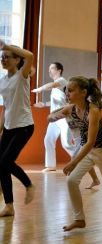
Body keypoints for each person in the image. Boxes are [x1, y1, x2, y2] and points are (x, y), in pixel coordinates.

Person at [48, 76, 102, 231]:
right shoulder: (71, 109)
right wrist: (54, 115)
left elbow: (91, 142)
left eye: (71, 91)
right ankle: (79, 219)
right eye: (66, 91)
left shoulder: (93, 111)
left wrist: (73, 162)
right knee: (72, 181)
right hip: (88, 151)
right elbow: (50, 118)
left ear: (83, 92)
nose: (67, 94)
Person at [0, 40, 36, 217]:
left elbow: (29, 55)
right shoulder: (2, 81)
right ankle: (9, 206)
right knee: (1, 165)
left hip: (24, 125)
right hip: (9, 126)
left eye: (7, 57)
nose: (3, 59)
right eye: (2, 57)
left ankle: (29, 184)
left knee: (5, 162)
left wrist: (6, 45)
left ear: (16, 60)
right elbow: (6, 107)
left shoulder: (22, 75)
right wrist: (1, 128)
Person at [32, 62, 73, 172]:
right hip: (55, 118)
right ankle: (51, 165)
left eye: (52, 68)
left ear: (59, 70)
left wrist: (39, 89)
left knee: (66, 144)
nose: (49, 71)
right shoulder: (56, 85)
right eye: (49, 69)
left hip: (64, 117)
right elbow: (57, 102)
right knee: (48, 139)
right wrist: (44, 104)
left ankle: (81, 162)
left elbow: (50, 85)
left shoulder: (62, 81)